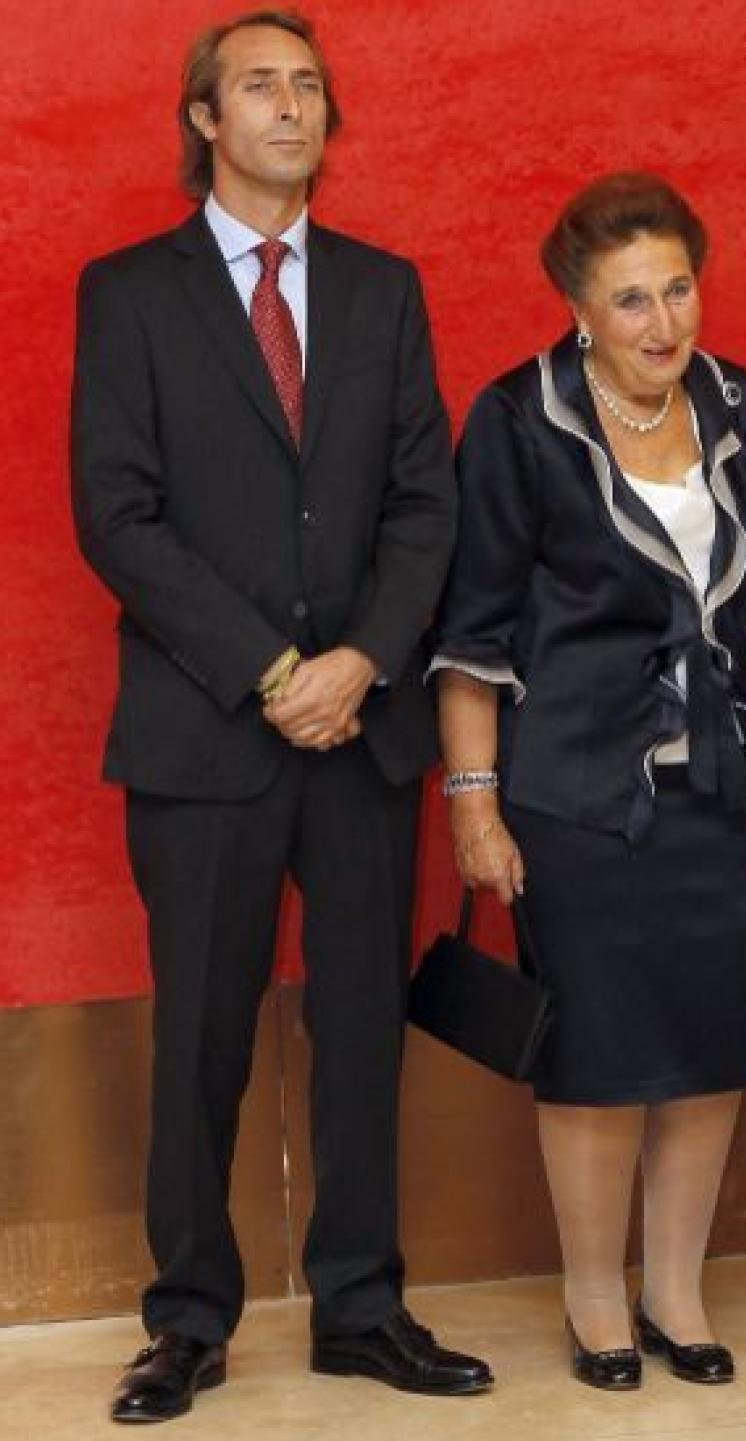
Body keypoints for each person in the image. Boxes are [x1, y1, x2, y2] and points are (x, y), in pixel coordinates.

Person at [71, 9, 490, 1423]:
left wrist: (365, 661)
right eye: (260, 85)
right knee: (202, 1033)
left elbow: (425, 503)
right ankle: (187, 1319)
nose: (291, 106)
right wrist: (269, 671)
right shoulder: (130, 292)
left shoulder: (382, 290)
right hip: (209, 732)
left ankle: (362, 1307)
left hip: (363, 728)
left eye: (310, 86)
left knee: (365, 1023)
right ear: (203, 116)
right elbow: (117, 515)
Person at [433, 172, 746, 1392]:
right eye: (630, 298)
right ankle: (594, 1298)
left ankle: (676, 1287)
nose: (661, 321)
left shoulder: (735, 396)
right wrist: (472, 800)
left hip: (725, 781)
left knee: (706, 1043)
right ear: (579, 307)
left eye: (678, 286)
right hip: (578, 791)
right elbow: (472, 628)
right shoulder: (519, 419)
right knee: (594, 1053)